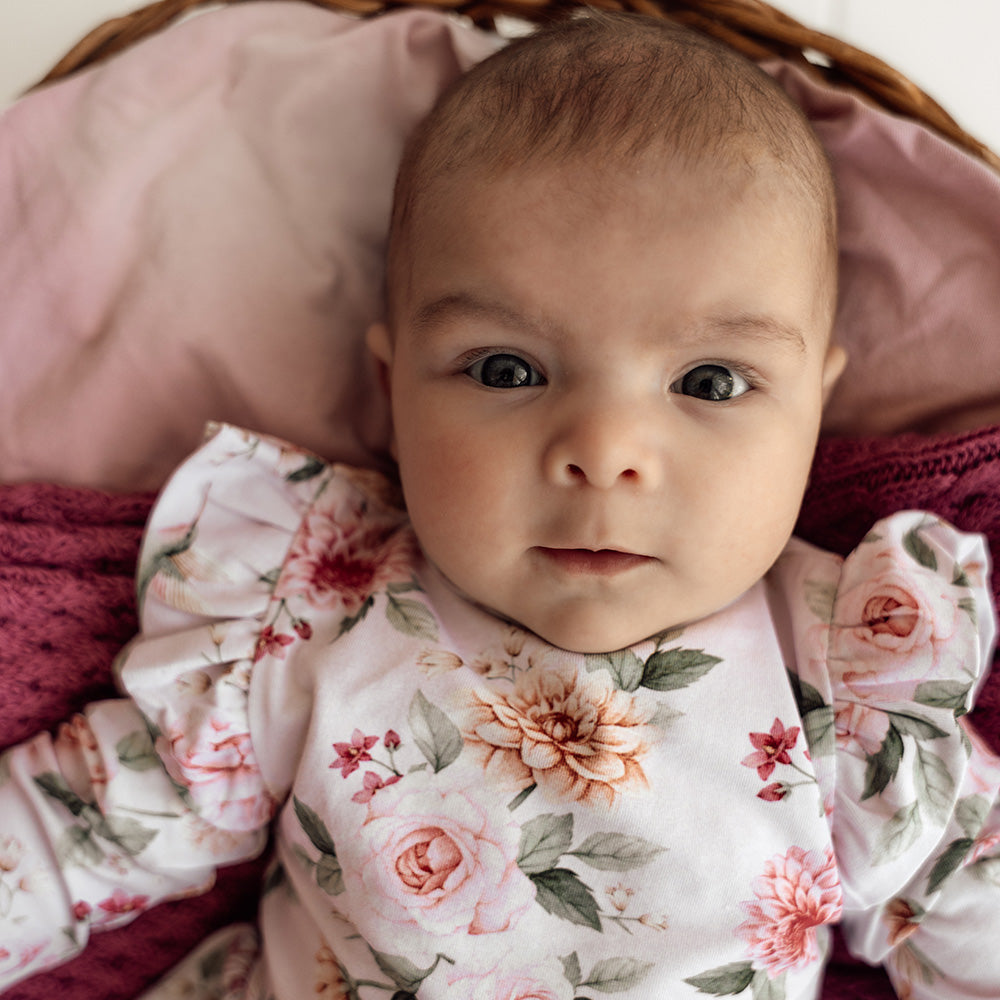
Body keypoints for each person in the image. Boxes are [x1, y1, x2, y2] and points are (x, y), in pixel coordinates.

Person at [2, 11, 999, 1000]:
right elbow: (74, 836)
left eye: (710, 382)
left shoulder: (851, 679)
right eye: (507, 369)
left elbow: (974, 917)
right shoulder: (313, 615)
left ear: (813, 413)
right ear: (394, 396)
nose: (602, 453)